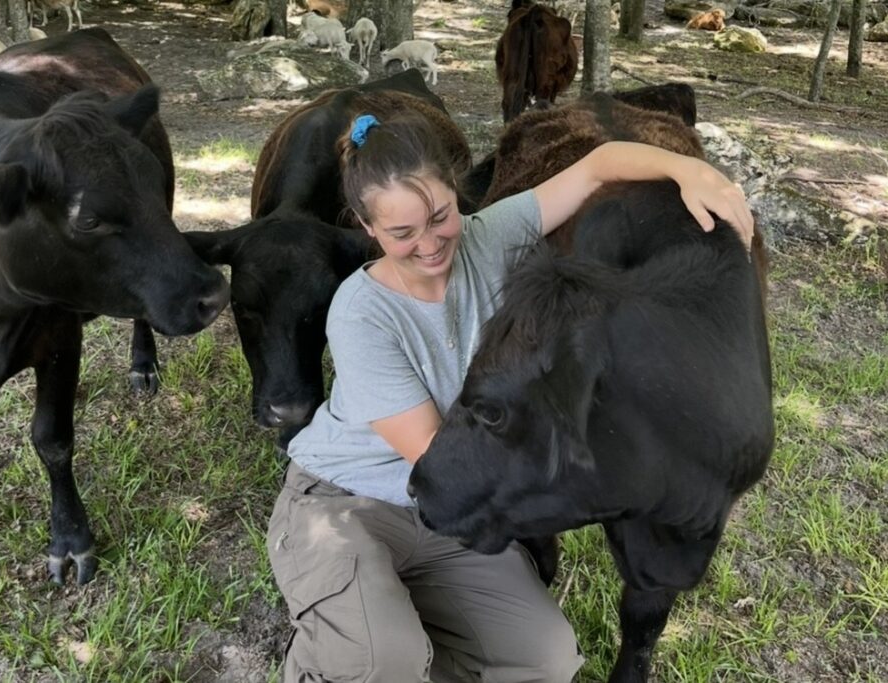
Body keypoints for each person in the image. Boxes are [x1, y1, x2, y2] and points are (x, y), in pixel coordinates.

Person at [266, 112, 754, 683]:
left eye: (440, 217)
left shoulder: (488, 233)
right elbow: (434, 453)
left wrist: (687, 169)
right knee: (381, 660)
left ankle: (394, 641)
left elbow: (598, 166)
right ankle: (340, 658)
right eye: (402, 233)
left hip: (445, 514)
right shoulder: (360, 313)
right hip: (349, 500)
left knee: (544, 659)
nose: (429, 245)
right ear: (367, 228)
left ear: (457, 193)